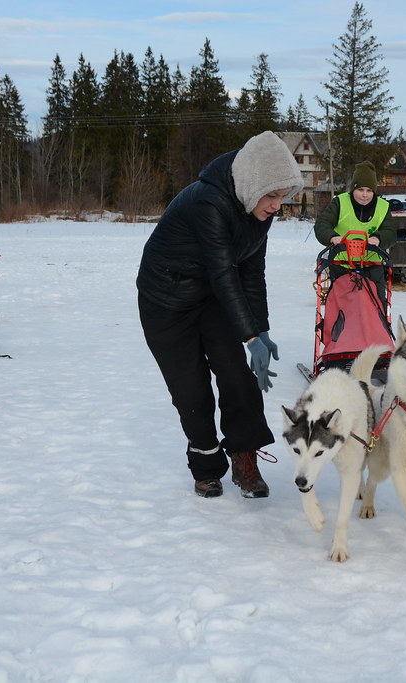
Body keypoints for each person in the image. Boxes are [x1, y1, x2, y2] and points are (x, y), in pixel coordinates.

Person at [137, 130, 303, 499]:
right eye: (272, 195)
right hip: (165, 300)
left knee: (237, 377)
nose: (277, 205)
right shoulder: (208, 201)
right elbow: (224, 272)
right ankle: (206, 468)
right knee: (191, 390)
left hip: (210, 295)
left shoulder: (257, 208)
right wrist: (249, 335)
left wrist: (261, 330)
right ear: (254, 184)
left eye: (283, 196)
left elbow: (251, 273)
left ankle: (245, 460)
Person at [313, 161, 396, 302]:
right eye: (361, 190)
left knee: (376, 305)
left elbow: (391, 232)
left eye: (369, 191)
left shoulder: (383, 207)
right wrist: (332, 236)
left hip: (372, 266)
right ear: (353, 189)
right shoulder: (340, 203)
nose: (365, 195)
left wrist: (378, 238)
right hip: (342, 265)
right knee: (342, 306)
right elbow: (322, 224)